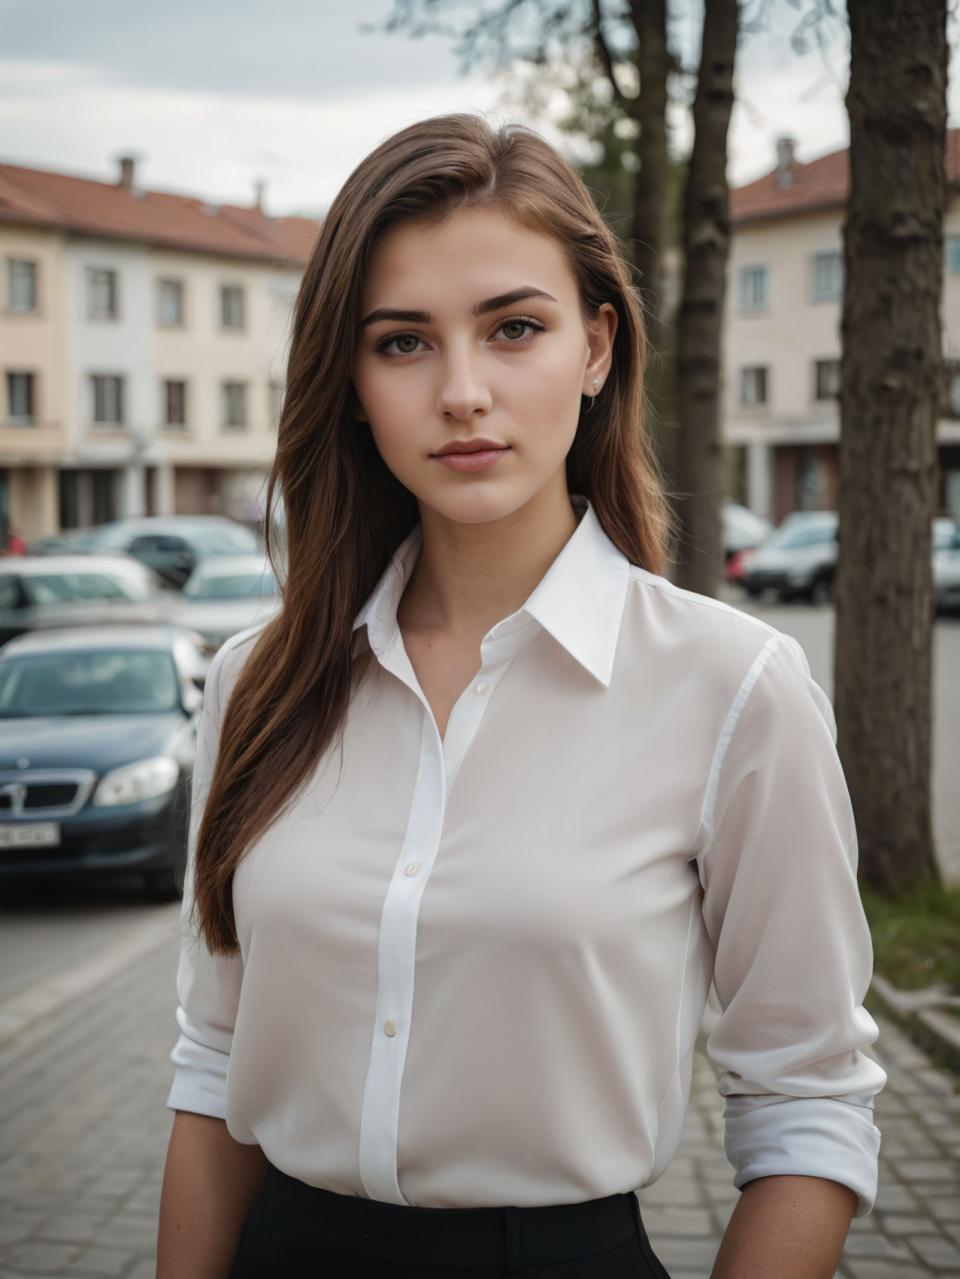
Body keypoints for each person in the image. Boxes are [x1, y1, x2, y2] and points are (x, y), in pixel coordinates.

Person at [156, 113, 886, 1279]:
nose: (462, 392)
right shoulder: (259, 682)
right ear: (347, 378)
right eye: (402, 343)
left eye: (514, 329)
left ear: (597, 348)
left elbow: (809, 1096)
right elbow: (213, 1056)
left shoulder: (732, 688)